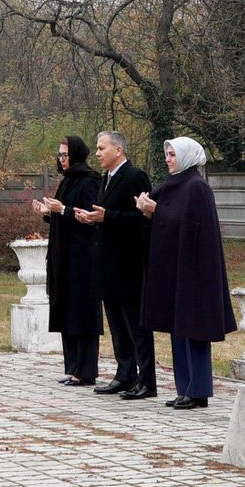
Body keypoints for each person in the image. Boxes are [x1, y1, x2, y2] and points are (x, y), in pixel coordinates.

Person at [136, 137, 235, 409]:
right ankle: (184, 388)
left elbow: (191, 226)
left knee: (194, 328)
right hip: (175, 268)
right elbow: (168, 218)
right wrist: (148, 210)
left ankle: (198, 389)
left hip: (195, 269)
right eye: (166, 154)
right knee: (178, 328)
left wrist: (156, 211)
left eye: (172, 154)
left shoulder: (196, 187)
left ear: (187, 156)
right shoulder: (173, 185)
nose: (168, 159)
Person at [75, 130, 156, 400]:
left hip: (128, 264)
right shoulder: (105, 178)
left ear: (118, 150)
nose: (97, 153)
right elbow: (106, 216)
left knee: (136, 325)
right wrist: (92, 218)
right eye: (97, 148)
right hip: (107, 263)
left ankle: (147, 380)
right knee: (117, 325)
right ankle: (125, 375)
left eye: (101, 148)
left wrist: (107, 216)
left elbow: (142, 218)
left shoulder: (135, 176)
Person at [31, 134, 103, 387]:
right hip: (64, 257)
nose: (61, 159)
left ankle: (86, 369)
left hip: (82, 258)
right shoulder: (68, 181)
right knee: (66, 310)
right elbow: (64, 215)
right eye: (59, 155)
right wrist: (47, 213)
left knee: (82, 313)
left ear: (76, 154)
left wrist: (62, 210)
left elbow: (90, 217)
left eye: (65, 154)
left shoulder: (90, 180)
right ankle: (72, 367)